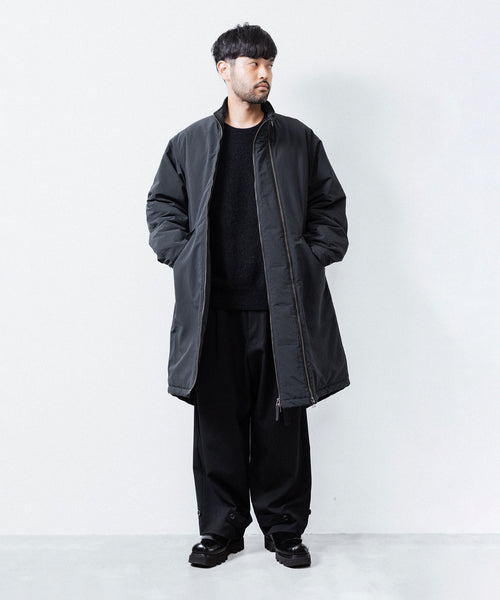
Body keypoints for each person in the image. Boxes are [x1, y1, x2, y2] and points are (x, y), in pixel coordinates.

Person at [146, 22, 350, 569]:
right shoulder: (189, 143)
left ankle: (285, 531)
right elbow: (163, 206)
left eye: (269, 63)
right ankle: (220, 531)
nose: (265, 73)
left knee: (281, 424)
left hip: (280, 309)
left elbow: (329, 206)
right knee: (216, 426)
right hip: (212, 311)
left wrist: (312, 255)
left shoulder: (298, 140)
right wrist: (180, 253)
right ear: (224, 69)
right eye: (254, 63)